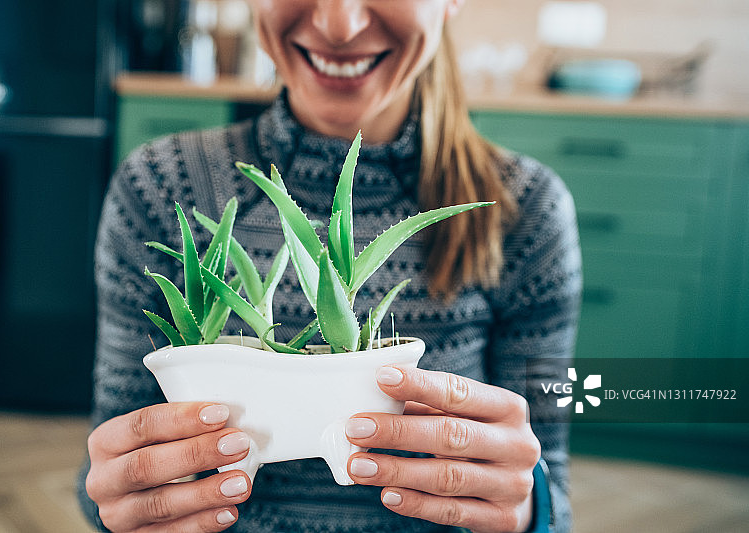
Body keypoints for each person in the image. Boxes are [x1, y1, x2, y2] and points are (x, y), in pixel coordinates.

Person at [79, 0, 581, 531]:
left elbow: (550, 486)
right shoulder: (160, 186)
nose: (339, 25)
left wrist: (526, 508)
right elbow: (105, 480)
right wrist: (126, 498)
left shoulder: (527, 209)